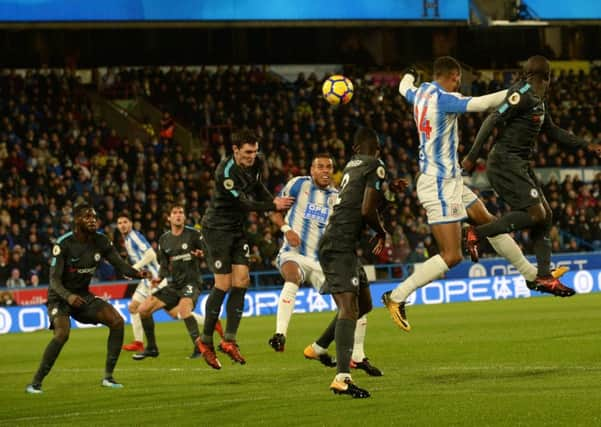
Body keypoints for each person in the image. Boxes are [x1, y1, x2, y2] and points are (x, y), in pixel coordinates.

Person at [383, 56, 563, 331]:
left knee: (489, 222)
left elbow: (403, 86)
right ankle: (396, 296)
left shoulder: (418, 92)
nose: (459, 83)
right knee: (452, 255)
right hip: (438, 184)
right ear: (453, 75)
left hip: (450, 180)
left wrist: (408, 73)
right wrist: (517, 91)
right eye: (458, 79)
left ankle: (532, 275)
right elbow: (481, 104)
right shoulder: (444, 99)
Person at [462, 55, 601, 295]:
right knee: (536, 213)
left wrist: (586, 145)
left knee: (545, 216)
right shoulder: (522, 93)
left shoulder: (538, 101)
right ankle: (476, 233)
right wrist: (473, 156)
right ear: (547, 78)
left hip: (519, 164)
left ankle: (545, 277)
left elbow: (553, 131)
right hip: (504, 162)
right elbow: (492, 119)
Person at [268, 153, 382, 376]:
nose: (325, 171)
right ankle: (280, 334)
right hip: (294, 253)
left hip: (323, 261)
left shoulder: (337, 197)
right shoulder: (298, 185)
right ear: (312, 170)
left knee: (353, 304)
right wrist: (286, 230)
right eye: (320, 167)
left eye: (329, 167)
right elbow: (274, 211)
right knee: (292, 278)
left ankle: (356, 356)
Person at [26, 203, 151, 394]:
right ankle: (35, 383)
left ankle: (108, 378)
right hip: (60, 298)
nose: (93, 220)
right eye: (87, 217)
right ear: (77, 220)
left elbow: (120, 265)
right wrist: (68, 297)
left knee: (117, 321)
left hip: (83, 296)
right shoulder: (64, 244)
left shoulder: (101, 240)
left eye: (94, 217)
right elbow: (54, 280)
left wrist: (139, 273)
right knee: (62, 334)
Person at [318, 127, 404, 398]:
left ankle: (320, 346)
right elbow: (367, 210)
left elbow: (366, 202)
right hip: (340, 245)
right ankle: (342, 377)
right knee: (348, 309)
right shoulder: (375, 165)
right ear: (377, 148)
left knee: (363, 304)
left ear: (355, 149)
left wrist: (389, 193)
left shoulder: (350, 167)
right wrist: (381, 231)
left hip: (340, 243)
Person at [197, 130, 294, 369]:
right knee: (223, 283)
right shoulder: (225, 172)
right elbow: (244, 202)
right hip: (217, 230)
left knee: (242, 280)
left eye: (255, 151)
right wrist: (272, 205)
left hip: (237, 230)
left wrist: (282, 222)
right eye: (247, 152)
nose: (252, 156)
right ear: (235, 150)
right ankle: (205, 340)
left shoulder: (257, 164)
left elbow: (259, 190)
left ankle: (229, 340)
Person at [115, 212, 218, 358]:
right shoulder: (162, 239)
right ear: (168, 217)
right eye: (119, 223)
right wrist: (158, 276)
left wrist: (135, 268)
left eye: (125, 221)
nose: (122, 225)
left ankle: (206, 332)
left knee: (179, 312)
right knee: (139, 308)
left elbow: (151, 255)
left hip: (178, 280)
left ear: (131, 223)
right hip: (155, 280)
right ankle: (146, 346)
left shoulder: (134, 236)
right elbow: (163, 262)